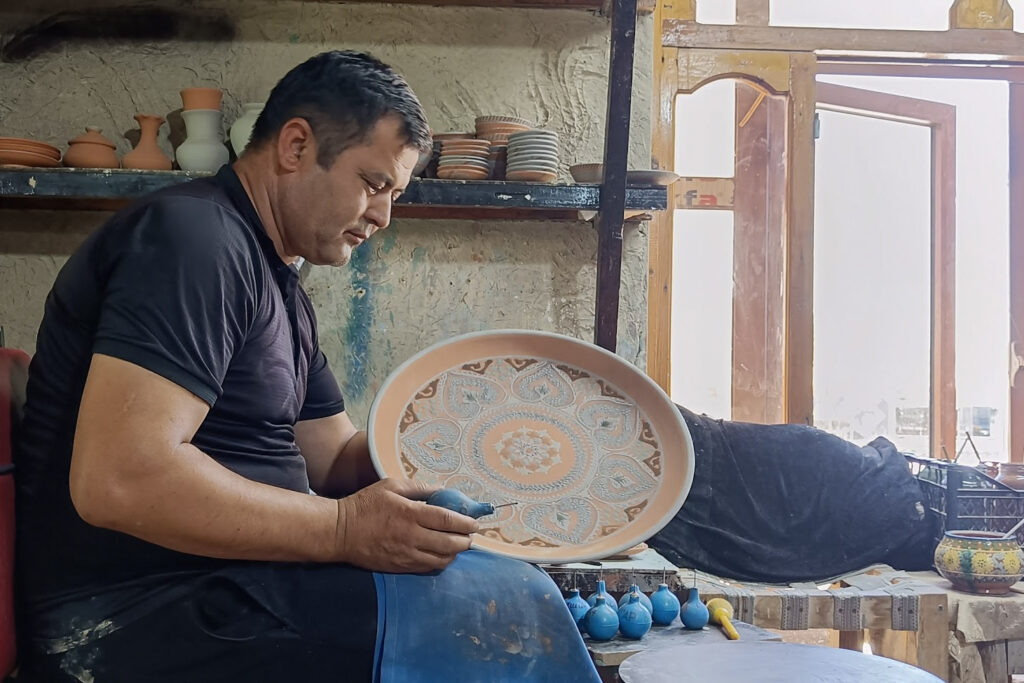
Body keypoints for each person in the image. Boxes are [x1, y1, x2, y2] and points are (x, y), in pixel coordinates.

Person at [14, 50, 494, 682]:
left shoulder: (278, 280)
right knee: (491, 618)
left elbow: (332, 459)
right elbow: (120, 479)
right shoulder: (194, 241)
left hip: (228, 585)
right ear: (296, 145)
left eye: (394, 196)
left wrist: (477, 442)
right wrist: (346, 528)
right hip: (130, 614)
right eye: (374, 185)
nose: (382, 217)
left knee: (501, 582)